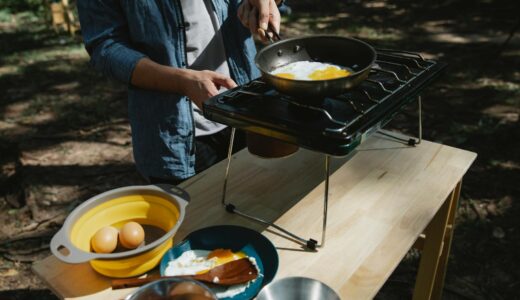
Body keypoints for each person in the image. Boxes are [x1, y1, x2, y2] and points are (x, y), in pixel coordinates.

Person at [77, 0, 283, 184]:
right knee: (196, 222)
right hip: (174, 133)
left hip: (247, 110)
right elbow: (105, 48)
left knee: (257, 203)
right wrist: (182, 82)